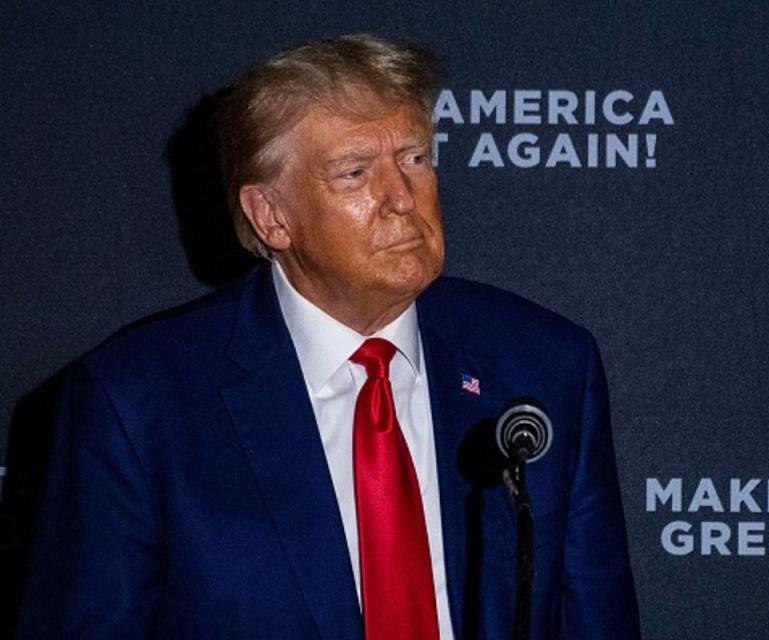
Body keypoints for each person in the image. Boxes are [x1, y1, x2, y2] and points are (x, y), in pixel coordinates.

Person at [17, 35, 640, 639]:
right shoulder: (135, 402)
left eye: (415, 159)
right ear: (271, 216)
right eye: (354, 173)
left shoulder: (544, 365)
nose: (402, 199)